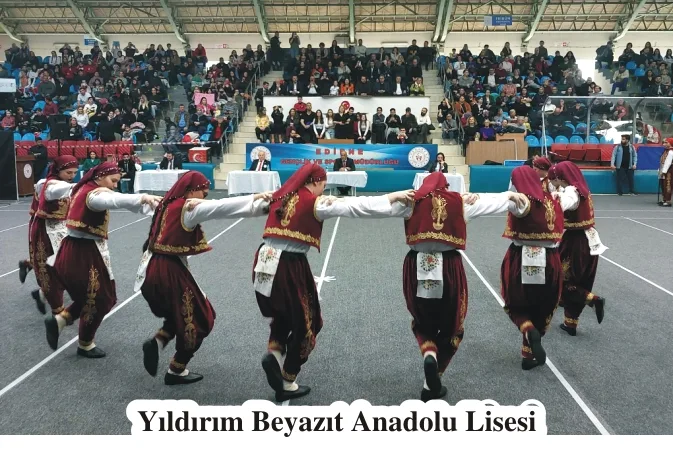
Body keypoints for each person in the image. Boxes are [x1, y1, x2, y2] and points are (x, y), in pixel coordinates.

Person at [252, 163, 414, 402]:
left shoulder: (279, 197)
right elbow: (356, 207)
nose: (324, 190)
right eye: (324, 185)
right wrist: (392, 196)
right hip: (289, 264)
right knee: (308, 322)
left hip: (263, 259)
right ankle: (288, 379)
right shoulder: (316, 203)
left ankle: (274, 355)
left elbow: (235, 206)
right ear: (316, 182)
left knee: (281, 314)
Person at [386, 172, 528, 401]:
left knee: (422, 319)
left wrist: (390, 197)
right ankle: (434, 377)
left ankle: (429, 352)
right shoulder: (460, 202)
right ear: (446, 186)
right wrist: (508, 195)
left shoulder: (409, 201)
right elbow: (490, 204)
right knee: (453, 324)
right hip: (449, 266)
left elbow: (371, 208)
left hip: (416, 265)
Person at [137, 171, 272, 385]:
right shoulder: (189, 208)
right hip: (169, 270)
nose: (204, 197)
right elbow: (221, 207)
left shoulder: (165, 204)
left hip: (150, 267)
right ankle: (176, 369)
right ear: (191, 191)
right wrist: (257, 198)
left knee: (178, 313)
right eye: (203, 193)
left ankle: (158, 341)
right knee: (201, 317)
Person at [44, 163, 161, 358]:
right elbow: (114, 200)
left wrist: (155, 205)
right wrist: (142, 197)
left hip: (77, 249)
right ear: (99, 177)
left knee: (91, 296)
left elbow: (119, 200)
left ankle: (62, 321)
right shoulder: (94, 195)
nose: (115, 185)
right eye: (113, 181)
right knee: (102, 298)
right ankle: (84, 343)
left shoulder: (84, 188)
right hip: (83, 252)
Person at [500, 166, 568, 370]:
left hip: (520, 256)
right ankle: (528, 355)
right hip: (550, 258)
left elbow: (494, 203)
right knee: (544, 303)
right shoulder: (556, 199)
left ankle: (527, 328)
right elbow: (572, 196)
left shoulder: (520, 201)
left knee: (514, 300)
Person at [548, 161, 608, 335]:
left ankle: (592, 299)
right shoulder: (583, 189)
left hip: (576, 241)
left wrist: (549, 200)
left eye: (554, 179)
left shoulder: (571, 191)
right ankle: (570, 323)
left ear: (560, 177)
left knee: (561, 279)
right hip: (591, 237)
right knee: (582, 280)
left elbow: (562, 204)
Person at [27, 155, 79, 315]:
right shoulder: (45, 184)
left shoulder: (65, 185)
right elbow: (57, 190)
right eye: (68, 172)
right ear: (58, 170)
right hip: (45, 230)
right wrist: (85, 185)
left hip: (63, 229)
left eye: (75, 173)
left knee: (67, 266)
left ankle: (42, 294)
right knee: (49, 268)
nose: (72, 176)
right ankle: (58, 311)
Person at [658, 138, 673, 207]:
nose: (664, 144)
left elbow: (668, 162)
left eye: (666, 143)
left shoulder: (671, 152)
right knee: (663, 185)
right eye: (664, 143)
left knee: (668, 185)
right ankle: (664, 199)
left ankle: (668, 200)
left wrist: (663, 172)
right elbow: (662, 161)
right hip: (663, 170)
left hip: (669, 171)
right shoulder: (665, 151)